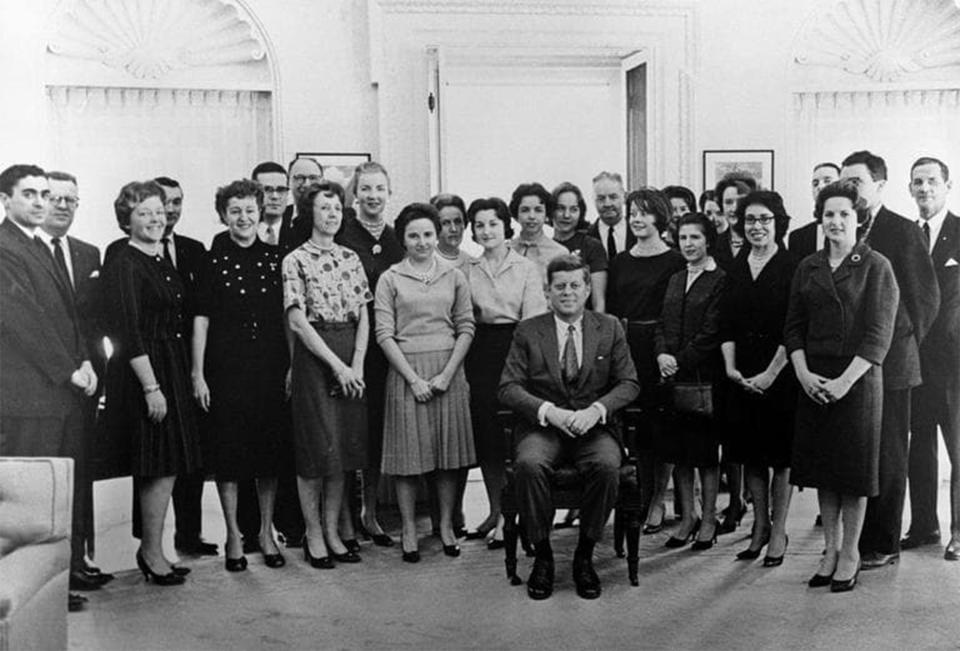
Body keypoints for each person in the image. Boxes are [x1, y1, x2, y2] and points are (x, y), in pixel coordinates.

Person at [499, 254, 639, 600]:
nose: (568, 292)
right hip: (545, 428)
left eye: (575, 285)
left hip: (593, 427)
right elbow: (508, 387)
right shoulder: (529, 330)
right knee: (529, 464)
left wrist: (597, 410)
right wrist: (548, 411)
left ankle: (584, 555)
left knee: (607, 466)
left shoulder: (609, 327)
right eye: (559, 286)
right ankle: (543, 555)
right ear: (547, 292)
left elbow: (630, 383)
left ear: (588, 288)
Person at [784, 180, 899, 592]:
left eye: (844, 214)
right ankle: (829, 550)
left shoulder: (876, 265)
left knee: (852, 473)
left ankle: (850, 552)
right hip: (813, 379)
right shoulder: (808, 266)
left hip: (858, 382)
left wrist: (845, 383)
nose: (835, 221)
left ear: (859, 218)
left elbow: (878, 335)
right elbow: (793, 328)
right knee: (823, 471)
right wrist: (802, 373)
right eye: (828, 214)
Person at [0, 164, 99, 612]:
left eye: (45, 194)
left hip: (57, 393)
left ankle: (52, 589)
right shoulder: (5, 247)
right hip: (28, 398)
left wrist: (83, 359)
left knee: (56, 497)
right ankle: (26, 599)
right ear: (6, 200)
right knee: (30, 504)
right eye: (29, 194)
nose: (41, 202)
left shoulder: (37, 245)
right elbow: (23, 319)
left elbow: (68, 316)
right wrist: (68, 369)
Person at [104, 176, 215, 557]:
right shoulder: (125, 263)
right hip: (148, 372)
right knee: (156, 466)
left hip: (174, 365)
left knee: (169, 465)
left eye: (158, 211)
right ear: (126, 218)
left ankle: (154, 550)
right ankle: (151, 552)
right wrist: (152, 388)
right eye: (143, 212)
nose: (155, 218)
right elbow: (128, 332)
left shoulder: (159, 259)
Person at [840, 150, 940, 570]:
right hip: (855, 364)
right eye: (845, 183)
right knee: (860, 453)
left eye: (857, 182)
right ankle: (857, 542)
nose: (850, 190)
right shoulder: (844, 225)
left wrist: (901, 342)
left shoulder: (901, 231)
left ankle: (884, 544)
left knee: (890, 454)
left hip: (895, 364)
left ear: (880, 185)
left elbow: (926, 300)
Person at [191, 179, 288, 572]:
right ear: (222, 215)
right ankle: (233, 534)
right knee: (230, 456)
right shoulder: (210, 260)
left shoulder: (276, 257)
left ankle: (266, 532)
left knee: (268, 455)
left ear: (260, 211)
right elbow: (201, 320)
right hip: (225, 370)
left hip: (269, 367)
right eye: (235, 211)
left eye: (250, 210)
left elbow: (287, 317)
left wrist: (292, 365)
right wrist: (198, 373)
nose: (243, 218)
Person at [375, 202, 476, 562]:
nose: (421, 241)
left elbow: (466, 325)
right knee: (408, 458)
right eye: (413, 235)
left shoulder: (454, 275)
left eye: (428, 234)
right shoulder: (390, 278)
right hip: (407, 373)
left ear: (437, 236)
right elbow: (384, 333)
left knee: (448, 457)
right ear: (402, 238)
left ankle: (446, 526)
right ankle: (408, 530)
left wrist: (447, 374)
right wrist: (414, 379)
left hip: (448, 369)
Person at [284, 181, 372, 568]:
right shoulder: (295, 260)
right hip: (315, 358)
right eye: (325, 208)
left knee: (344, 449)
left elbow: (364, 314)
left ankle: (334, 530)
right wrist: (336, 366)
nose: (332, 214)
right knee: (316, 449)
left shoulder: (351, 258)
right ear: (310, 213)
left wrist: (356, 364)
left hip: (349, 351)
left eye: (337, 208)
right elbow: (297, 321)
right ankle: (314, 533)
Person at [39, 170, 114, 591]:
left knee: (81, 472)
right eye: (55, 198)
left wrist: (102, 370)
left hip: (87, 383)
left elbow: (98, 321)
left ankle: (78, 560)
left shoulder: (89, 254)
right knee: (48, 479)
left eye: (72, 199)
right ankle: (51, 576)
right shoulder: (24, 253)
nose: (63, 206)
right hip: (44, 386)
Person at [462, 197, 548, 548]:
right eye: (479, 225)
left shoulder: (525, 268)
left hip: (517, 349)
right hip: (480, 352)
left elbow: (532, 320)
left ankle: (516, 515)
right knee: (487, 434)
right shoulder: (467, 270)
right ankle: (495, 510)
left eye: (493, 224)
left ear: (505, 225)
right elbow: (465, 318)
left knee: (516, 433)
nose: (486, 231)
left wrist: (523, 363)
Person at [719, 190, 798, 565]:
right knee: (749, 454)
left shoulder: (792, 265)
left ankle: (779, 529)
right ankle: (759, 526)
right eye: (750, 220)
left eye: (764, 219)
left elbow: (795, 328)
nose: (757, 227)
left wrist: (769, 374)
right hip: (740, 373)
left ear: (777, 222)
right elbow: (726, 323)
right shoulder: (735, 266)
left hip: (780, 373)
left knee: (779, 457)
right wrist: (732, 370)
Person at [607, 188, 685, 535]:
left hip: (662, 347)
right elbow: (611, 310)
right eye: (633, 213)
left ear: (660, 216)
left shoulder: (675, 260)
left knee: (663, 426)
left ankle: (658, 499)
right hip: (627, 347)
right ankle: (641, 493)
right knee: (635, 427)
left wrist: (666, 349)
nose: (637, 219)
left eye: (645, 212)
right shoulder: (621, 260)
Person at [335, 161, 404, 547]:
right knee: (348, 429)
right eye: (366, 189)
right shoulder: (342, 234)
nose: (373, 196)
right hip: (350, 346)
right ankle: (344, 515)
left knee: (376, 430)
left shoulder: (398, 239)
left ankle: (371, 513)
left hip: (389, 348)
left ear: (389, 192)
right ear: (355, 194)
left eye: (380, 188)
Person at [655, 213, 726, 550]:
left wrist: (678, 361)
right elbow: (661, 324)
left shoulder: (720, 279)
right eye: (683, 238)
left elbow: (712, 332)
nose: (688, 244)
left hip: (702, 379)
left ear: (708, 240)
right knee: (679, 452)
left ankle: (709, 518)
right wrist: (661, 356)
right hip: (671, 378)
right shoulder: (674, 278)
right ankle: (688, 517)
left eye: (695, 237)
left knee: (705, 453)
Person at [903, 157, 959, 562]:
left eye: (932, 181)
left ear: (948, 185)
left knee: (958, 449)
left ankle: (959, 532)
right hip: (915, 362)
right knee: (918, 448)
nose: (925, 189)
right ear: (909, 189)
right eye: (918, 182)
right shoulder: (905, 235)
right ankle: (924, 525)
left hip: (955, 363)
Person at [551, 181, 607, 312]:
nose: (567, 215)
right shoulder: (545, 247)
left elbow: (599, 301)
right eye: (560, 208)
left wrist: (596, 331)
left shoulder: (592, 246)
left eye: (573, 209)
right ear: (551, 210)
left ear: (581, 212)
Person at [507, 182, 568, 280]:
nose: (532, 216)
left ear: (546, 214)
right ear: (516, 215)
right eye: (525, 210)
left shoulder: (559, 253)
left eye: (538, 210)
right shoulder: (506, 250)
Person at [788, 162, 840, 258]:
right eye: (815, 184)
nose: (820, 187)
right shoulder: (798, 238)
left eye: (827, 181)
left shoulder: (859, 233)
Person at [588, 171, 635, 260]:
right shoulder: (586, 237)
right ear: (593, 200)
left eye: (613, 197)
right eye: (601, 198)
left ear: (624, 197)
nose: (607, 204)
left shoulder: (638, 233)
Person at [282, 157, 324, 250]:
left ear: (322, 181)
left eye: (313, 178)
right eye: (300, 178)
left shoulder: (334, 217)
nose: (307, 184)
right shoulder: (280, 217)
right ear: (288, 181)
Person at [713, 176, 754, 270]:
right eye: (728, 202)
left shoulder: (766, 240)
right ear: (721, 206)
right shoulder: (714, 242)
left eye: (741, 202)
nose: (734, 208)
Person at [431, 193, 472, 268]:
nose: (453, 229)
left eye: (457, 222)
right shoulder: (426, 262)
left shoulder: (471, 263)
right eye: (446, 223)